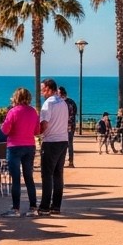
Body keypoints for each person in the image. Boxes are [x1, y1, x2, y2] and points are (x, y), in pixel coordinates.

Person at [36, 79, 68, 215]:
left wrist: (36, 132)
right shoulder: (63, 102)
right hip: (63, 140)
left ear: (49, 89)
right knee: (58, 174)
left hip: (51, 141)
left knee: (47, 174)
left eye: (43, 89)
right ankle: (56, 206)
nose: (41, 92)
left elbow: (44, 124)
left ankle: (44, 206)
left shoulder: (48, 103)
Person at [59, 85, 77, 167]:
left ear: (61, 94)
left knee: (63, 144)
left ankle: (62, 162)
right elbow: (75, 113)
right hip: (71, 126)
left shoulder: (61, 103)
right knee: (70, 144)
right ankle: (70, 161)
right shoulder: (72, 102)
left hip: (64, 126)